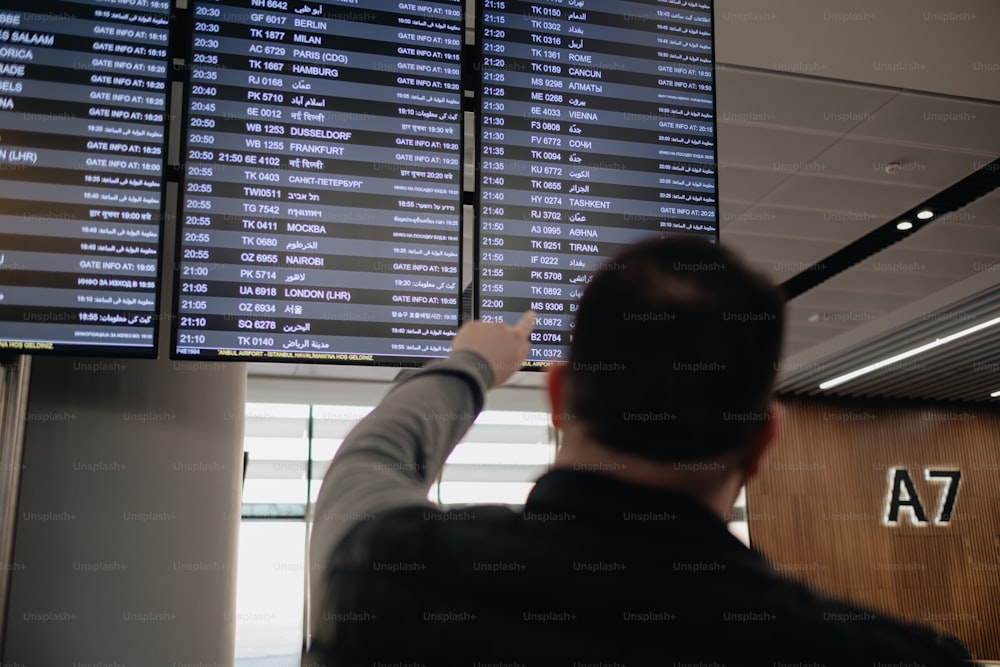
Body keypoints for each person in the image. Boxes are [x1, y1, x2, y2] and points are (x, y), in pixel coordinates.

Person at [304, 237, 974, 666]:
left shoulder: (390, 569)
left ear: (560, 395)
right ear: (763, 438)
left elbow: (370, 464)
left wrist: (472, 363)